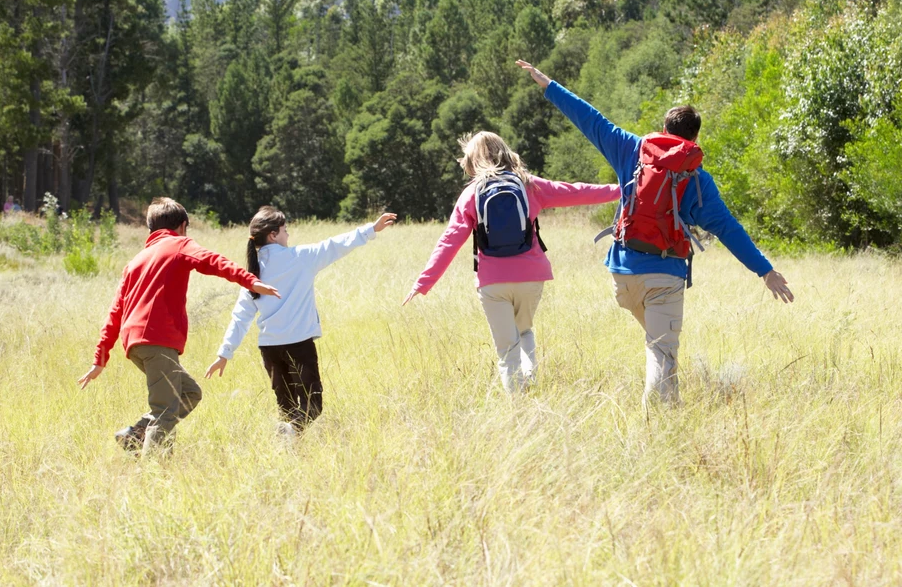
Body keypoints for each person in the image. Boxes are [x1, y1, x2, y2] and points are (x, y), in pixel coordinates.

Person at [516, 59, 794, 407]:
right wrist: (765, 271)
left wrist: (549, 85)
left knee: (662, 348)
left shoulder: (631, 150)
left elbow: (590, 119)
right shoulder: (697, 179)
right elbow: (728, 229)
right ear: (694, 139)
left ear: (663, 128)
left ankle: (673, 416)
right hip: (663, 276)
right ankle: (654, 427)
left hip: (623, 276)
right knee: (661, 352)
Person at [403, 131, 620, 393]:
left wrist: (423, 283)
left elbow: (449, 241)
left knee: (507, 351)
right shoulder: (529, 184)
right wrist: (622, 190)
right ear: (505, 152)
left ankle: (518, 411)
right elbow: (577, 191)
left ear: (472, 161)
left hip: (492, 282)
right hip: (531, 277)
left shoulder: (471, 194)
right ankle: (531, 379)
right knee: (525, 330)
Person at [77, 197, 280, 454]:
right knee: (165, 410)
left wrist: (100, 359)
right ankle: (155, 473)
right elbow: (213, 260)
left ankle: (134, 435)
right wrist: (250, 281)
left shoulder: (135, 261)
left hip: (135, 345)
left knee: (190, 393)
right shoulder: (179, 244)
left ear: (150, 229)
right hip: (157, 340)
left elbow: (115, 312)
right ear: (183, 226)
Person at [206, 207, 398, 436]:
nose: (288, 235)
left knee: (286, 409)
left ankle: (288, 448)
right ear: (273, 235)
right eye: (285, 230)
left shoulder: (253, 272)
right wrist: (371, 229)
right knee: (313, 405)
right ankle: (290, 434)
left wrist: (224, 354)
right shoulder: (300, 258)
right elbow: (335, 245)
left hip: (270, 350)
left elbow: (241, 317)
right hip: (299, 347)